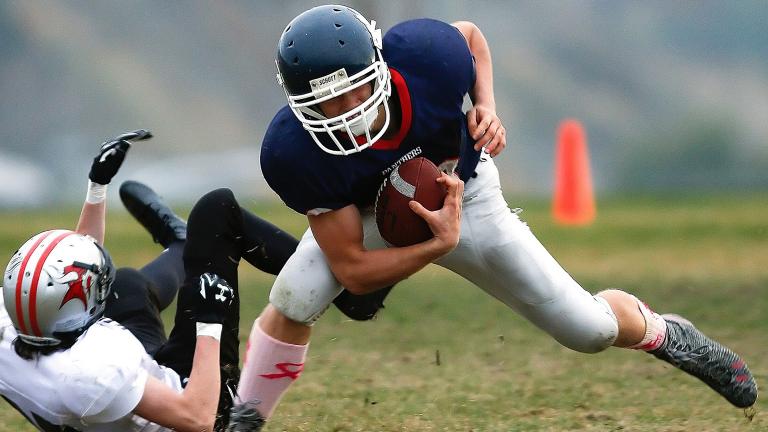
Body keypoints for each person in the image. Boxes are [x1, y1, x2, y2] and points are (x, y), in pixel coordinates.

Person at [227, 4, 759, 430]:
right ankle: (245, 416)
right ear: (298, 105)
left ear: (381, 68)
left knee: (588, 331)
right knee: (297, 291)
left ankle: (665, 332)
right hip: (370, 215)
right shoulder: (292, 152)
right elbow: (353, 272)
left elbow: (472, 37)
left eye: (355, 92)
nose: (347, 113)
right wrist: (434, 246)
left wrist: (486, 104)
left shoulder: (426, 56)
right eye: (327, 106)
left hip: (466, 191)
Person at [0, 130, 298, 431]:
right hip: (195, 399)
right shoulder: (92, 375)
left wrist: (97, 187)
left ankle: (183, 245)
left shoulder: (17, 331)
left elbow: (75, 272)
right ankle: (325, 273)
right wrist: (210, 319)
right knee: (216, 209)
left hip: (139, 384)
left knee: (124, 286)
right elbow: (199, 418)